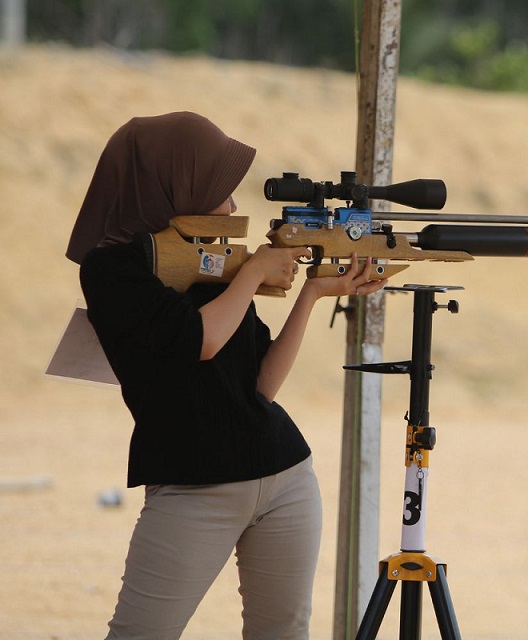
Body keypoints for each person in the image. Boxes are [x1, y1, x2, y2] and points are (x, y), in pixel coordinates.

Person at [66, 111, 387, 639]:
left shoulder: (214, 260)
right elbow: (201, 340)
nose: (234, 206)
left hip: (285, 474)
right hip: (192, 484)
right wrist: (255, 272)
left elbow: (262, 387)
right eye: (221, 190)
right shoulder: (111, 271)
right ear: (175, 185)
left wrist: (311, 293)